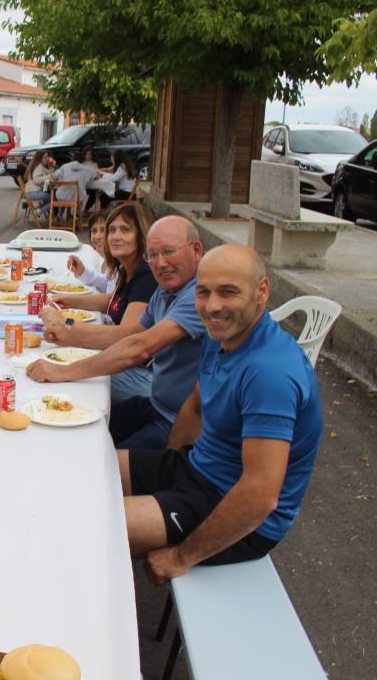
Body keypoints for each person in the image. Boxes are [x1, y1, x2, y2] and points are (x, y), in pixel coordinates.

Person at [120, 245, 322, 583]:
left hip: (237, 510)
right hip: (198, 468)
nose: (212, 306)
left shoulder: (269, 372)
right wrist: (167, 475)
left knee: (90, 527)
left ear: (262, 291)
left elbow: (259, 496)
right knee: (86, 467)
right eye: (203, 292)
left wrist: (180, 557)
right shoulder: (221, 335)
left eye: (228, 292)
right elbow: (196, 407)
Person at [28, 216, 206, 451]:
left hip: (179, 424)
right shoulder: (166, 288)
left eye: (169, 251)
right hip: (155, 404)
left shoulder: (200, 295)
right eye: (153, 255)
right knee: (77, 436)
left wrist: (63, 371)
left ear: (196, 251)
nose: (160, 263)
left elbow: (139, 347)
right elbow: (131, 333)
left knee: (96, 459)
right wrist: (69, 334)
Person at [39, 202, 156, 404]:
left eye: (125, 230)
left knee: (63, 379)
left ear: (142, 235)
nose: (116, 236)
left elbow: (126, 335)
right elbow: (114, 301)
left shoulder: (147, 276)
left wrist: (66, 324)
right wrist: (70, 301)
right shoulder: (127, 269)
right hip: (131, 363)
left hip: (145, 376)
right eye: (112, 230)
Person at [67, 210, 116, 294]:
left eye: (103, 230)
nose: (97, 236)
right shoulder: (109, 262)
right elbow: (108, 285)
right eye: (94, 231)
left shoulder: (121, 264)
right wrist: (82, 272)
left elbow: (111, 297)